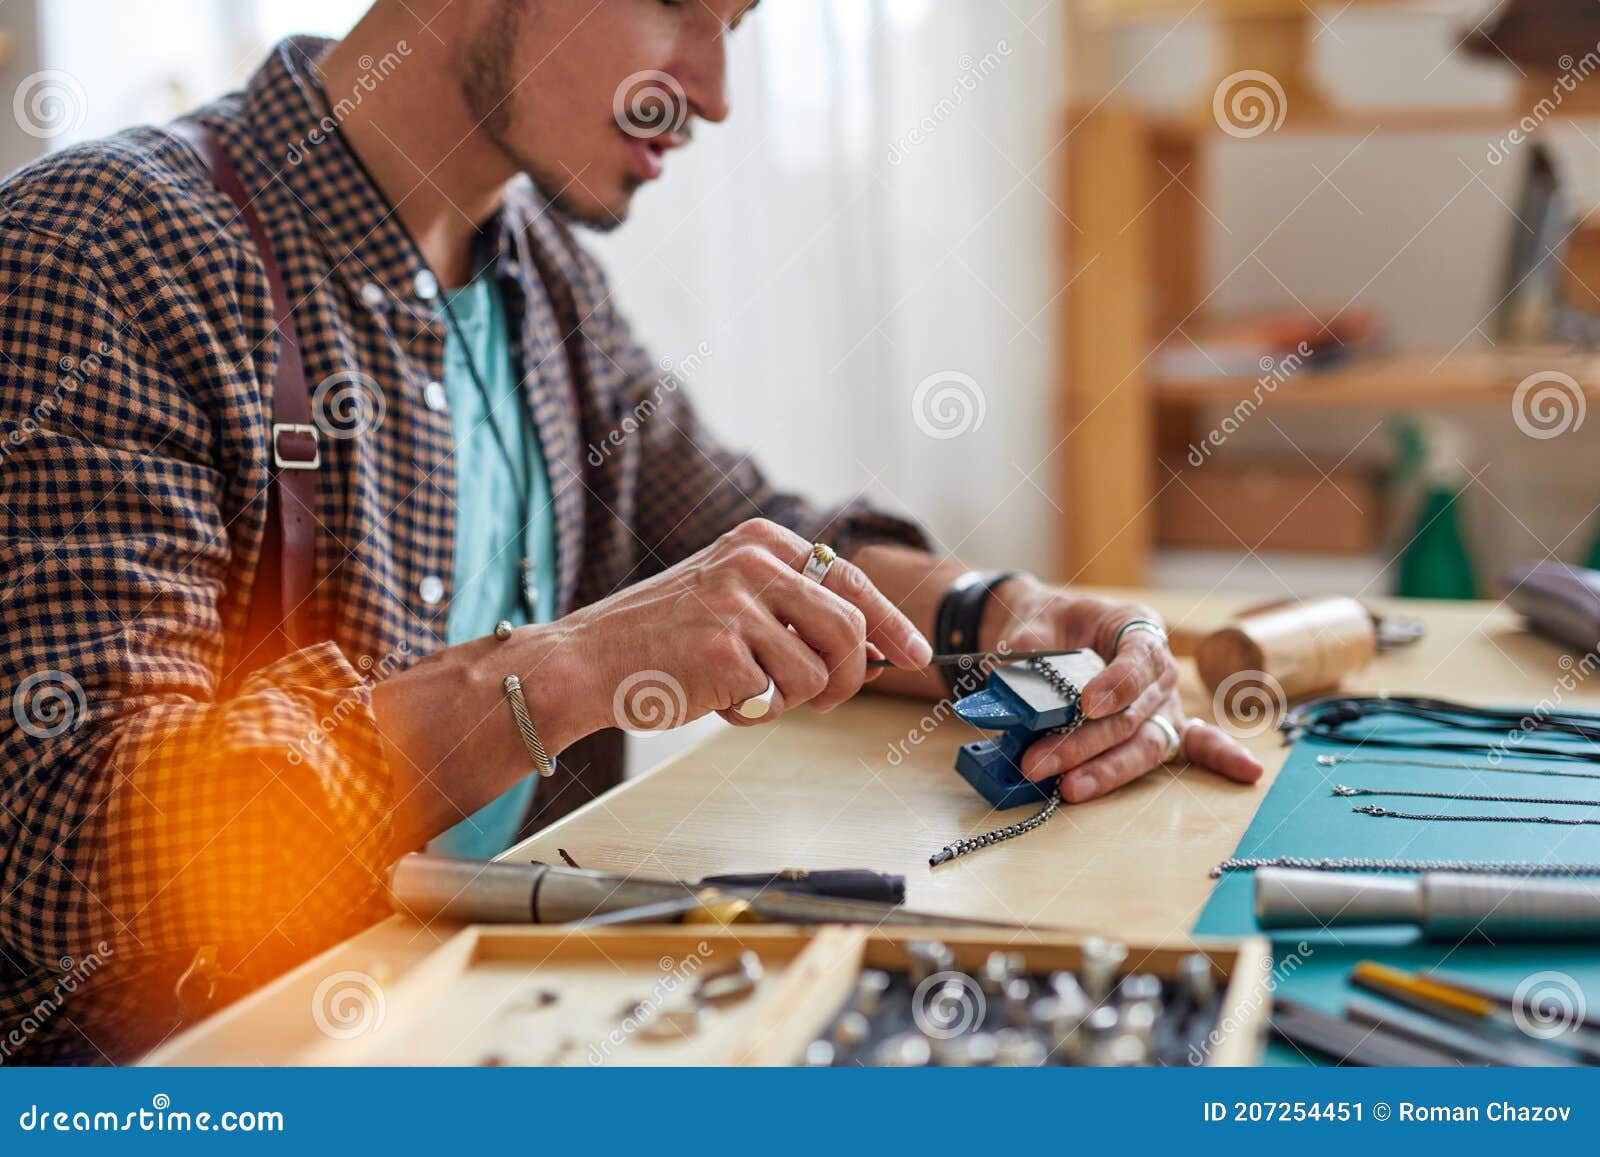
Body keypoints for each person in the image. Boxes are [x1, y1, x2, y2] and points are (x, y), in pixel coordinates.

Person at [0, 0, 1261, 1064]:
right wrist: (565, 668)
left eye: (737, 22)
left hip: (494, 1020)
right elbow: (72, 840)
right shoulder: (101, 253)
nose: (710, 93)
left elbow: (744, 535)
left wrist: (1002, 618)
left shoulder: (533, 266)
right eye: (676, 3)